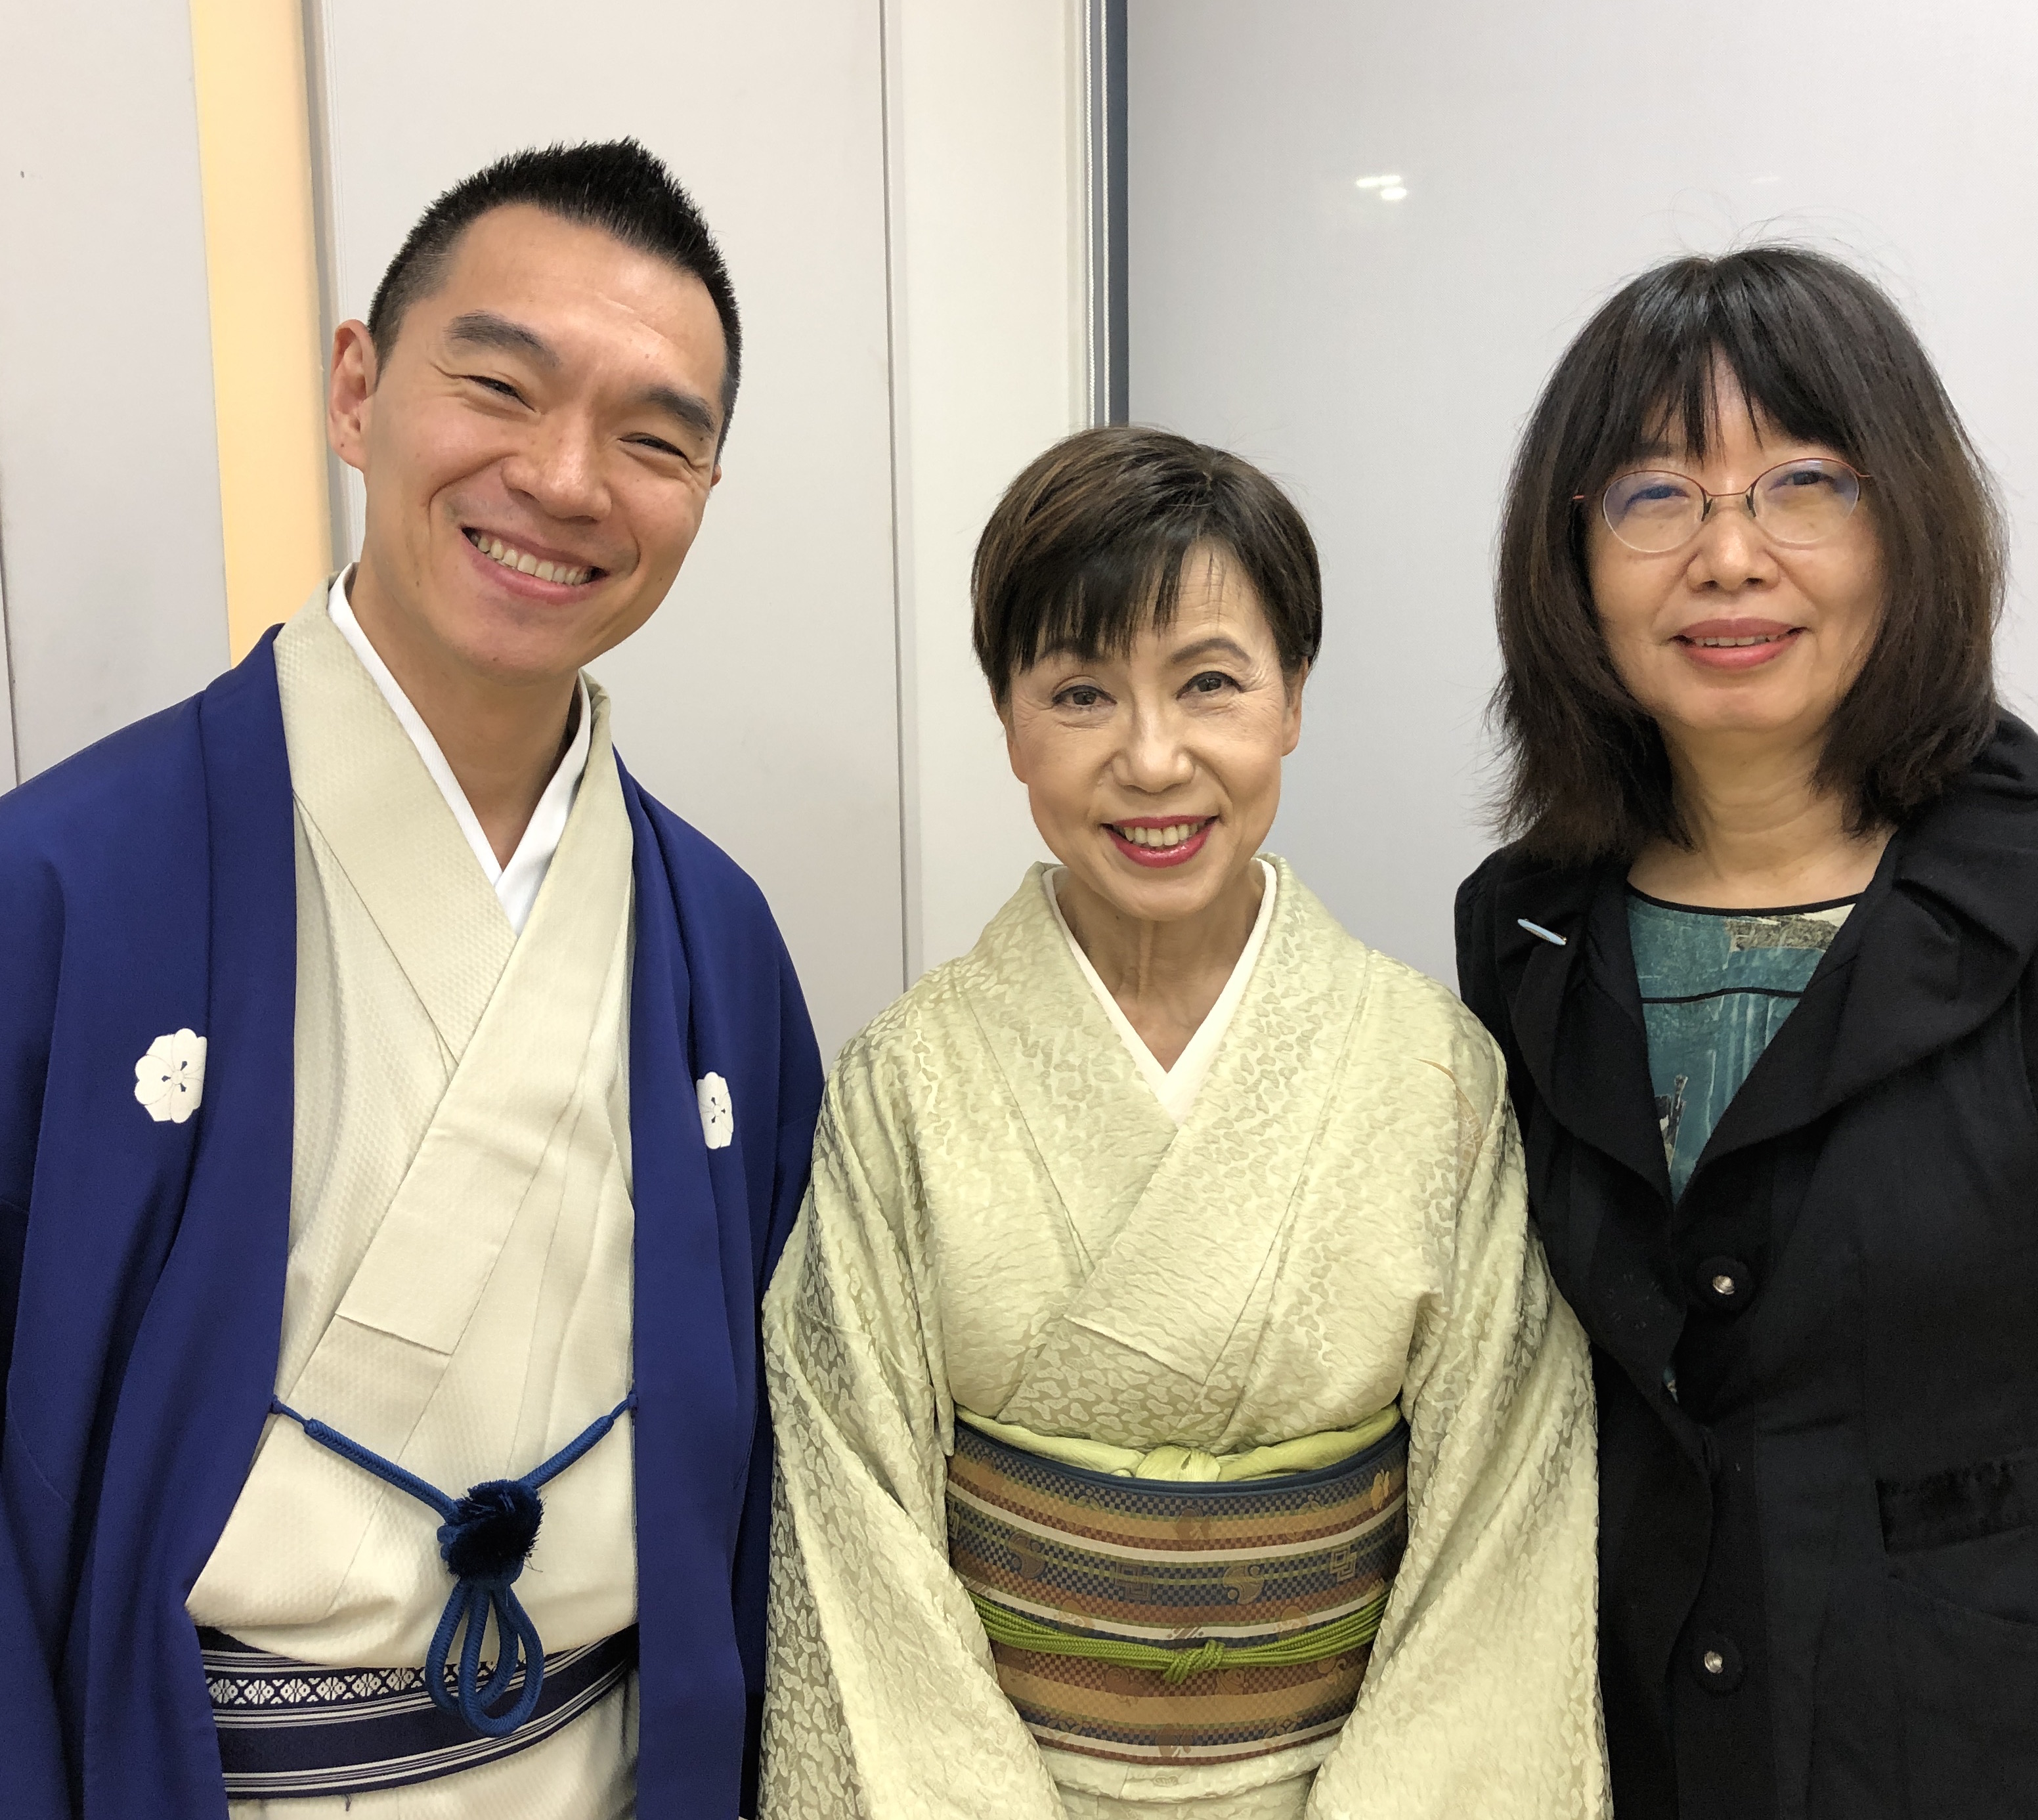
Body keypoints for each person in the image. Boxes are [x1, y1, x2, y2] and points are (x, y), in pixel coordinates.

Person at [0, 141, 820, 1820]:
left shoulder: (715, 937)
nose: (569, 478)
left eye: (654, 439)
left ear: (705, 497)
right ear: (359, 388)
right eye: (500, 385)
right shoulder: (63, 885)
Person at [1454, 245, 2038, 1820]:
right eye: (1655, 496)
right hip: (1640, 1751)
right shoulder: (1523, 930)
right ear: (1576, 562)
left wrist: (2008, 1632)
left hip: (2027, 1761)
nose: (1728, 557)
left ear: (1909, 528)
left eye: (1803, 482)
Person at [760, 424, 1606, 1819]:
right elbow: (853, 1532)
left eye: (1208, 683)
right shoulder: (905, 1085)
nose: (1152, 761)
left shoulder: (1427, 1072)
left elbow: (1500, 1524)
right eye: (1081, 693)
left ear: (1291, 697)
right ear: (1008, 717)